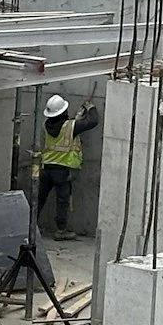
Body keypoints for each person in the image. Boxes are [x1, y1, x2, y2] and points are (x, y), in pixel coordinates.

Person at [34, 93, 98, 238]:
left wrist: (77, 119)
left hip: (46, 168)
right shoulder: (71, 126)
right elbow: (93, 121)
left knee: (39, 198)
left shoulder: (46, 125)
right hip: (61, 171)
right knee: (62, 200)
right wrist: (91, 108)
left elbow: (64, 129)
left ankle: (31, 226)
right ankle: (61, 230)